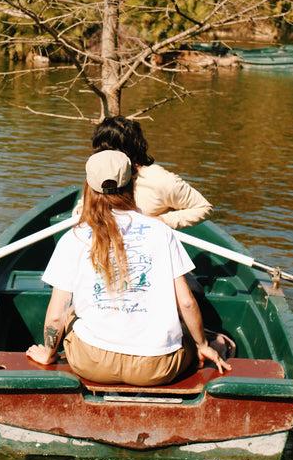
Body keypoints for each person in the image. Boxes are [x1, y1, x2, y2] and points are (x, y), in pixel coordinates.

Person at [26, 150, 229, 386]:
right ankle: (215, 343)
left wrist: (48, 354)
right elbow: (186, 302)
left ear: (88, 188)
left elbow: (56, 313)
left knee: (71, 312)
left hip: (92, 363)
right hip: (156, 369)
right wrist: (202, 345)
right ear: (133, 184)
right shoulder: (161, 232)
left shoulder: (75, 237)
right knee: (188, 333)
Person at [91, 116, 211, 229]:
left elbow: (204, 208)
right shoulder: (99, 173)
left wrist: (162, 221)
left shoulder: (160, 180)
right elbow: (83, 207)